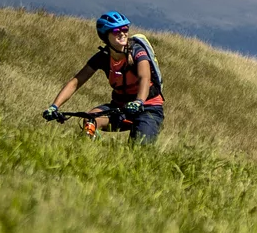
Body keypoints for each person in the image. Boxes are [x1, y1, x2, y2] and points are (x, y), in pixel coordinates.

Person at [42, 11, 166, 144]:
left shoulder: (138, 51)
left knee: (139, 149)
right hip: (121, 107)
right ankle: (87, 150)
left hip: (148, 108)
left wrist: (138, 101)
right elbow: (76, 82)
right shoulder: (103, 57)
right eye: (116, 30)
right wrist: (54, 106)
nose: (122, 33)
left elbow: (144, 78)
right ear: (105, 36)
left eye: (125, 29)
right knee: (90, 120)